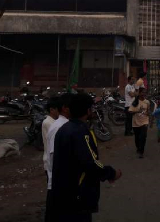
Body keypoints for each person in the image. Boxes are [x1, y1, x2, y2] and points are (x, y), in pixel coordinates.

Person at [49, 93, 121, 222]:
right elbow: (90, 163)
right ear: (88, 111)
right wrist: (111, 173)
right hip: (77, 196)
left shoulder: (65, 128)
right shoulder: (79, 131)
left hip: (63, 192)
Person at [42, 97, 60, 222]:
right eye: (57, 109)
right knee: (52, 193)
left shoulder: (54, 121)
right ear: (51, 110)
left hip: (51, 161)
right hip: (50, 161)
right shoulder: (48, 123)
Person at [129, 87, 151, 158]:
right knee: (137, 138)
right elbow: (130, 111)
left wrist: (148, 114)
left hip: (145, 121)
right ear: (139, 93)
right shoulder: (135, 101)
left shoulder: (147, 102)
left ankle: (141, 152)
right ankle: (138, 148)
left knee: (143, 136)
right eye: (142, 92)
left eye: (145, 92)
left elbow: (148, 111)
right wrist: (137, 111)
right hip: (135, 122)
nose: (144, 94)